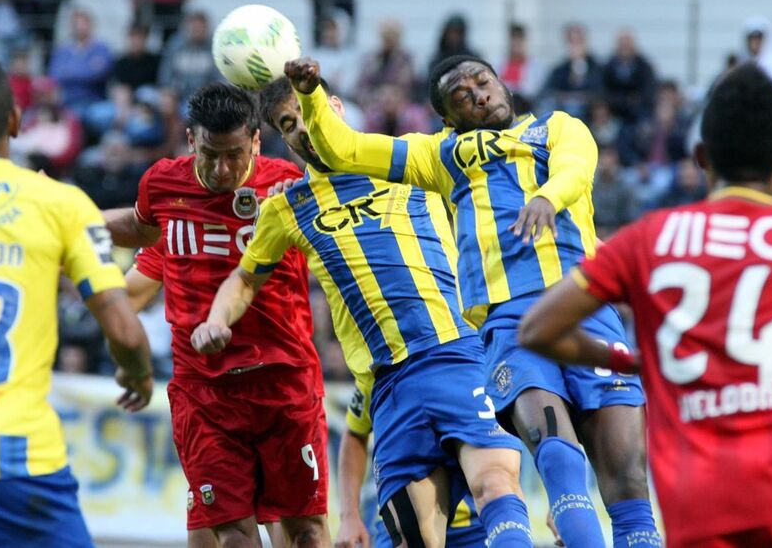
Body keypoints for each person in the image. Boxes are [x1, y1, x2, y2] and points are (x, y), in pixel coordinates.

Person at [286, 55, 662, 548]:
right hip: (512, 327)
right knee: (557, 452)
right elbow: (345, 149)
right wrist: (313, 95)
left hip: (589, 312)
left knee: (629, 483)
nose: (479, 94)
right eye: (462, 95)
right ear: (449, 118)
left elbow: (576, 168)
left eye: (483, 82)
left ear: (501, 83)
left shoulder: (557, 128)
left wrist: (548, 197)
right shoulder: (440, 155)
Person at [195, 77, 532, 547]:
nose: (303, 131)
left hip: (456, 353)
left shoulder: (411, 157)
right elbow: (245, 278)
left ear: (335, 106)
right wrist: (215, 320)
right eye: (288, 125)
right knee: (413, 536)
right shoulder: (288, 207)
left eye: (308, 114)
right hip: (387, 387)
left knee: (494, 481)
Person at [519, 62, 772, 547]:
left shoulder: (651, 239)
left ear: (702, 157)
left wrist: (630, 360)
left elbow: (537, 329)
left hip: (697, 502)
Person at [0, 53, 154, 548]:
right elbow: (123, 330)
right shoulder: (59, 204)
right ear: (15, 122)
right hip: (17, 453)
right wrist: (137, 374)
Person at [104, 82, 327, 548]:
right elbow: (137, 230)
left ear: (256, 142)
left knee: (304, 529)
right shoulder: (163, 186)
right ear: (190, 140)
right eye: (210, 154)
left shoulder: (284, 185)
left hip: (284, 380)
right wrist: (60, 215)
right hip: (204, 391)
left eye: (235, 155)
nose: (223, 169)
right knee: (232, 534)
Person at [337, 373, 487, 548]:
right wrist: (349, 516)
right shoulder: (379, 369)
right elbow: (354, 434)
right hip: (400, 528)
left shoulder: (470, 361)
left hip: (471, 528)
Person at [48, 9, 114, 114]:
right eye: (77, 24)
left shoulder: (102, 49)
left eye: (83, 24)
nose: (80, 28)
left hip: (95, 101)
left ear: (91, 25)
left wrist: (69, 71)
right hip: (67, 102)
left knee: (105, 115)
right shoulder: (62, 50)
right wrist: (87, 68)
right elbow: (54, 75)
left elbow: (99, 74)